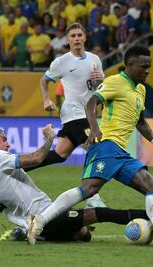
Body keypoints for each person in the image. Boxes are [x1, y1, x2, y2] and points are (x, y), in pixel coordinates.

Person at [27, 45, 153, 245]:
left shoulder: (139, 89)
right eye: (143, 66)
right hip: (106, 145)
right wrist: (94, 128)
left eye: (149, 66)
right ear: (130, 65)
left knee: (152, 186)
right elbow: (90, 103)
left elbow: (140, 122)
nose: (147, 70)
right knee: (89, 189)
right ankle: (40, 221)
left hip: (121, 151)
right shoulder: (115, 82)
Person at [0, 124, 153, 243]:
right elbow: (37, 158)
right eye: (3, 139)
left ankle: (21, 232)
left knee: (84, 235)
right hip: (44, 217)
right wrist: (49, 139)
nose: (8, 144)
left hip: (35, 223)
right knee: (98, 213)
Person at [29, 23, 106, 208]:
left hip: (88, 114)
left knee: (60, 154)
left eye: (80, 35)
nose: (77, 38)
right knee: (96, 149)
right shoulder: (62, 62)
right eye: (73, 36)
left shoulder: (95, 59)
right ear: (68, 40)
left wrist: (99, 81)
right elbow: (43, 80)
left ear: (85, 37)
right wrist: (46, 100)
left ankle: (21, 166)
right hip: (73, 113)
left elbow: (99, 88)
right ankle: (92, 196)